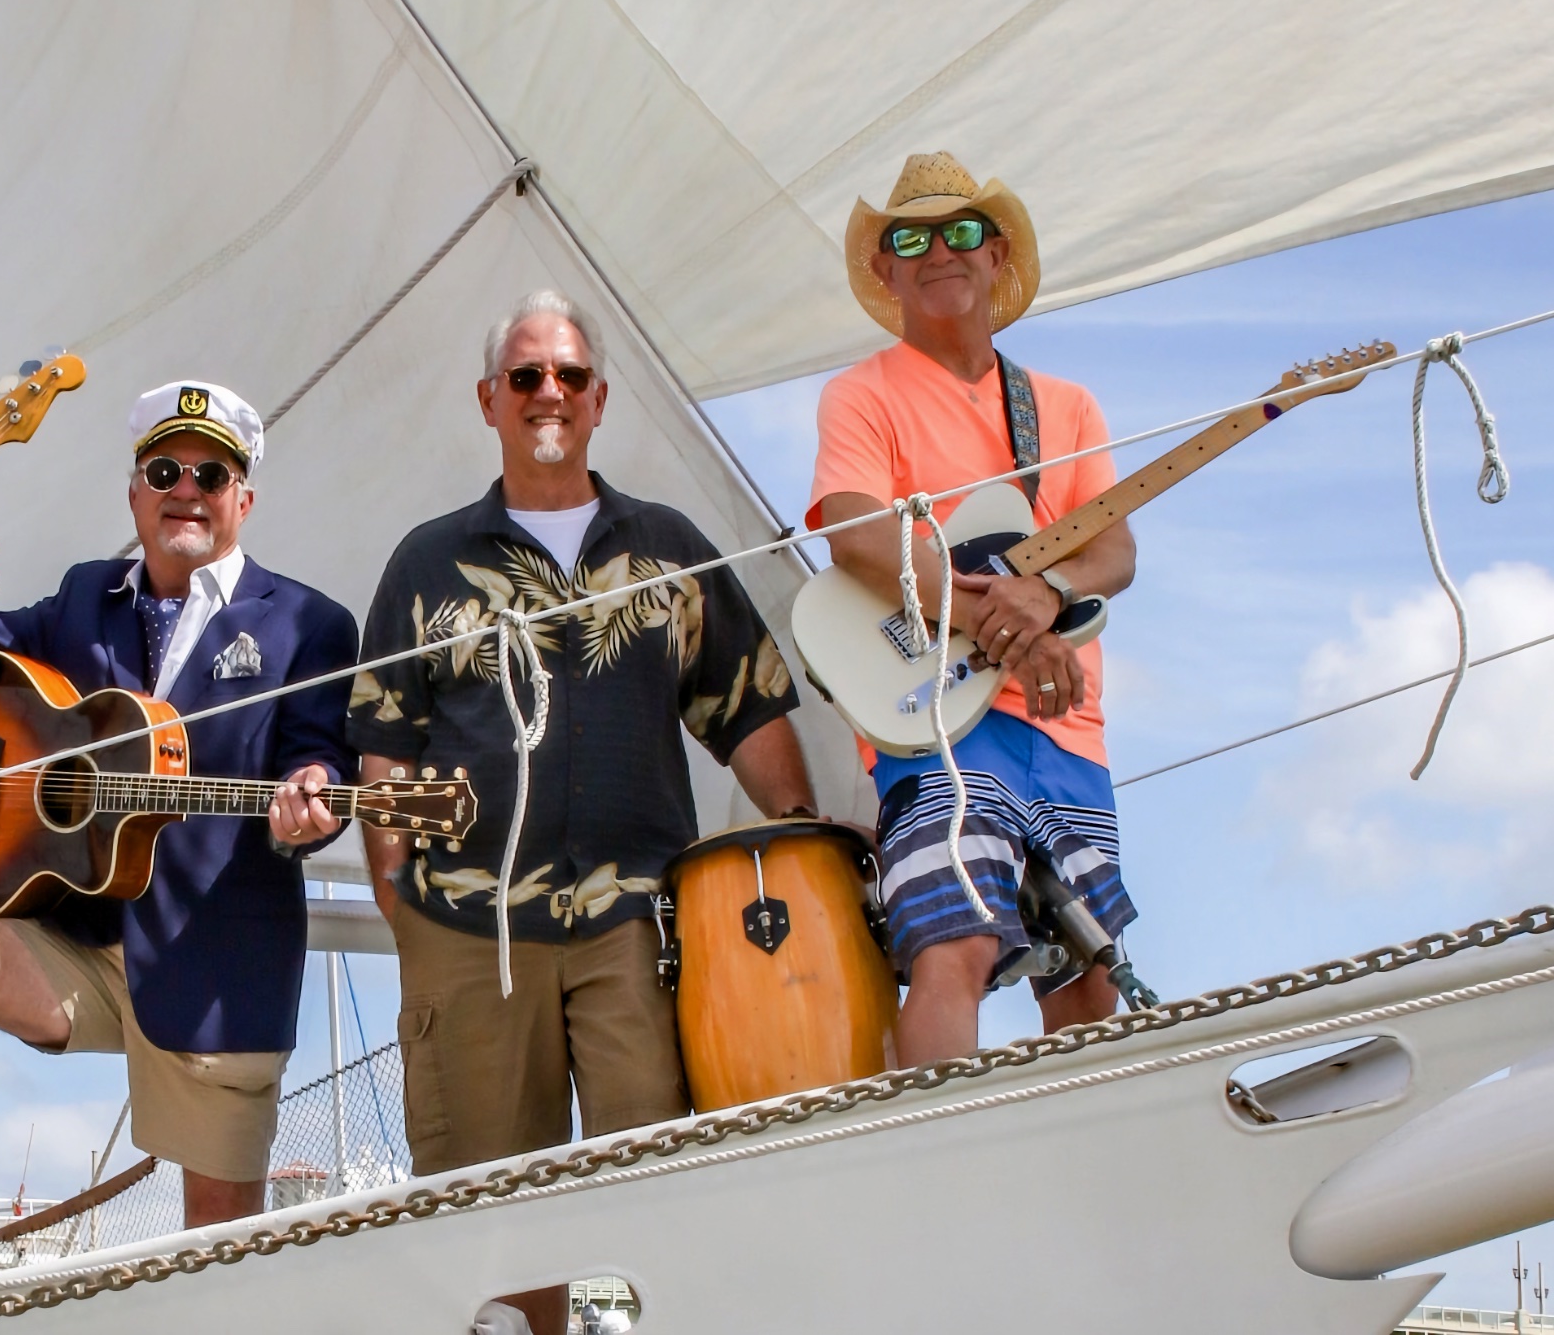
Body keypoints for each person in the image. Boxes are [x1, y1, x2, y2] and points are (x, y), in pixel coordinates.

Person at [346, 292, 820, 1335]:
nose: (547, 392)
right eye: (525, 377)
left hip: (636, 926)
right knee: (489, 1226)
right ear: (488, 401)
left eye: (567, 375)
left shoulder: (668, 548)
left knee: (659, 1193)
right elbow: (383, 742)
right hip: (468, 933)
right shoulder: (425, 563)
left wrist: (796, 852)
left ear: (600, 397)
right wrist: (400, 902)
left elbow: (746, 708)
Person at [0, 380, 359, 1299]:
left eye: (211, 472)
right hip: (70, 942)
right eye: (164, 470)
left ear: (244, 497)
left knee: (220, 1276)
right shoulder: (83, 598)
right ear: (135, 495)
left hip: (215, 968)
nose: (185, 488)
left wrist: (313, 801)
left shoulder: (307, 622)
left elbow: (319, 764)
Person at [806, 151, 1140, 1068]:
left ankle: (1077, 1169)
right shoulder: (862, 394)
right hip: (934, 723)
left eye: (961, 232)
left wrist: (1052, 593)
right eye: (909, 237)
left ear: (995, 254)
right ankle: (938, 1166)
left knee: (1089, 974)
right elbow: (854, 532)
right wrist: (999, 614)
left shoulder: (1067, 407)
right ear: (885, 268)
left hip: (1064, 724)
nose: (937, 251)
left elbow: (1113, 551)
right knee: (953, 944)